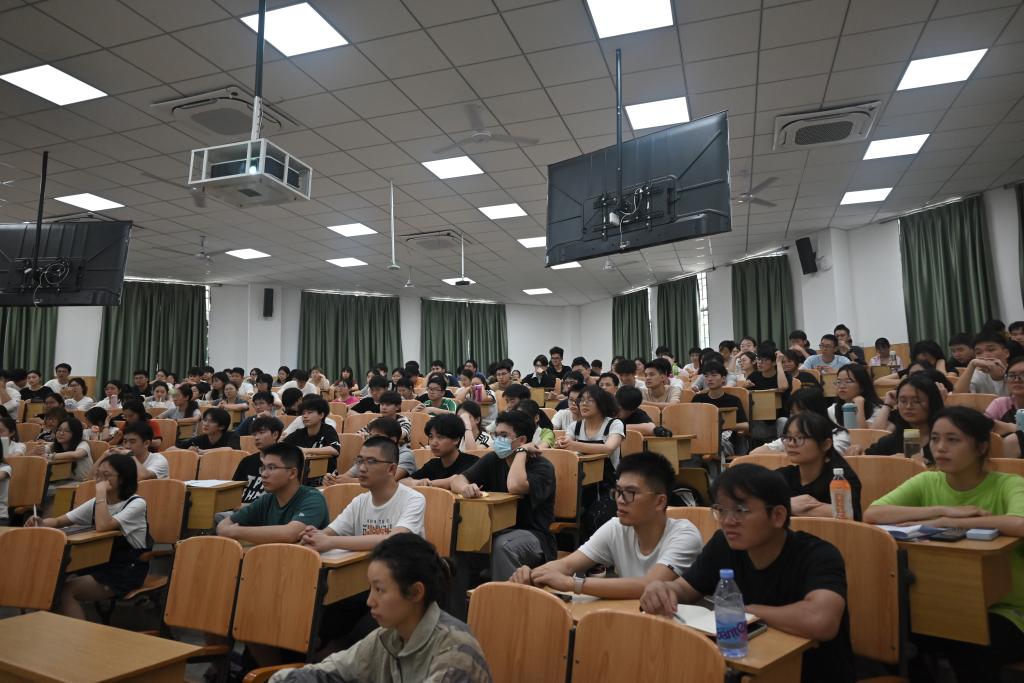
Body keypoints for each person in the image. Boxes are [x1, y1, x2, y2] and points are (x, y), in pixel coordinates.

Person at [640, 464, 855, 683]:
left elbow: (822, 620)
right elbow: (685, 589)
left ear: (778, 515)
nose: (727, 521)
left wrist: (746, 612)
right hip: (748, 666)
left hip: (812, 673)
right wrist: (662, 589)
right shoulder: (723, 545)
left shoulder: (818, 555)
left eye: (740, 510)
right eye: (721, 510)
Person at [865, 407, 1024, 681]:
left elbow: (1019, 523)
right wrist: (942, 511)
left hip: (1008, 609)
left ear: (981, 447)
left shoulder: (1008, 484)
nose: (940, 448)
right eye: (936, 438)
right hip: (942, 601)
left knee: (970, 644)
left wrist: (949, 522)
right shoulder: (928, 480)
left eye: (953, 440)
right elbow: (873, 514)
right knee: (888, 632)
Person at [268, 534, 492, 683]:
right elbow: (328, 672)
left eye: (380, 590)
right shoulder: (387, 637)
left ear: (415, 592)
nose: (370, 601)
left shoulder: (455, 651)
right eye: (371, 589)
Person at [510, 452, 702, 598]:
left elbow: (650, 584)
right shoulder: (617, 527)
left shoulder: (684, 535)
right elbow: (566, 565)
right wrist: (532, 574)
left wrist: (573, 584)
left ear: (660, 502)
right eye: (617, 492)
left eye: (630, 493)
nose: (620, 500)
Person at [26, 452, 151, 619]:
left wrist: (101, 494)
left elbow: (103, 525)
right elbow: (60, 521)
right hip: (98, 563)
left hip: (125, 570)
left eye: (106, 475)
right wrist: (41, 522)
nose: (99, 480)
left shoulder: (136, 503)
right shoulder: (96, 502)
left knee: (65, 592)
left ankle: (75, 634)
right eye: (98, 475)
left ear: (122, 479)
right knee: (49, 585)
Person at [450, 410, 556, 580]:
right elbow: (457, 480)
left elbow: (515, 486)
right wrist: (465, 488)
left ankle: (505, 596)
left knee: (503, 546)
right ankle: (464, 596)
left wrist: (521, 452)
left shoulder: (542, 467)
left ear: (522, 440)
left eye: (504, 435)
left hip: (535, 535)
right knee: (460, 540)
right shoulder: (493, 459)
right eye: (496, 435)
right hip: (495, 530)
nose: (498, 440)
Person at [301, 436, 425, 552]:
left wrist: (331, 542)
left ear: (391, 469)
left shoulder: (413, 499)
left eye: (371, 462)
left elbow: (394, 540)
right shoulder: (359, 502)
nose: (361, 468)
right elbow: (329, 532)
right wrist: (313, 535)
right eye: (360, 461)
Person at [217, 443, 329, 544]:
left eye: (271, 468)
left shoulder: (313, 498)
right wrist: (230, 530)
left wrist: (236, 531)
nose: (264, 474)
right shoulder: (266, 500)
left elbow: (289, 534)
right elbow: (223, 526)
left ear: (292, 473)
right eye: (263, 468)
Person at [778, 412, 862, 520]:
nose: (790, 443)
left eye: (800, 437)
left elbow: (850, 515)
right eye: (788, 437)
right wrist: (788, 505)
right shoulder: (783, 476)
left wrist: (784, 507)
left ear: (825, 445)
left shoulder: (841, 478)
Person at [857, 374, 945, 464]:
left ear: (932, 402)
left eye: (916, 401)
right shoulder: (899, 438)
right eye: (903, 401)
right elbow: (866, 460)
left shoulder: (946, 439)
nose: (908, 406)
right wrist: (857, 451)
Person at [692, 361, 749, 458]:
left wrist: (722, 425)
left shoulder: (733, 400)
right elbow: (691, 423)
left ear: (723, 379)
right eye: (706, 376)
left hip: (725, 441)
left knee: (715, 446)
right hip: (701, 438)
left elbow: (745, 425)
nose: (710, 379)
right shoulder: (698, 399)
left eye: (714, 375)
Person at [406, 413, 479, 489]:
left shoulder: (472, 463)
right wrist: (417, 482)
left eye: (440, 437)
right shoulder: (432, 465)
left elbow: (455, 480)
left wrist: (429, 484)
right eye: (431, 437)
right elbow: (403, 482)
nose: (433, 443)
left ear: (456, 439)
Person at [283, 396, 341, 474]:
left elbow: (334, 450)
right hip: (302, 475)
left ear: (321, 415)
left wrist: (305, 450)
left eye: (309, 413)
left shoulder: (328, 430)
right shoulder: (299, 432)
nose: (305, 416)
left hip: (326, 476)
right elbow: (282, 445)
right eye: (303, 413)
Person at [233, 416, 283, 504]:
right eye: (255, 434)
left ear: (275, 435)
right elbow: (233, 490)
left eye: (261, 433)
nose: (256, 437)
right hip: (239, 507)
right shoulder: (247, 461)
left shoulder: (284, 462)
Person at [987, 356, 1024, 458]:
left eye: (1023, 375)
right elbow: (979, 426)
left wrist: (1015, 428)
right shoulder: (1001, 404)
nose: (1017, 380)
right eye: (1011, 375)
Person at [954, 331, 1010, 396]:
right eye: (978, 352)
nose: (985, 356)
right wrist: (971, 365)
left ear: (1006, 353)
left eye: (990, 350)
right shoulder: (979, 373)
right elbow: (958, 396)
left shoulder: (1015, 371)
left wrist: (999, 378)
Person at [829, 364, 882, 429]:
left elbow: (862, 433)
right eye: (838, 382)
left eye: (848, 381)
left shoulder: (877, 410)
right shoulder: (832, 410)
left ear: (862, 386)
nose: (841, 386)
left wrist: (859, 404)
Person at [45, 417, 93, 482]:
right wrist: (37, 451)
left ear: (75, 433)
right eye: (59, 430)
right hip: (63, 482)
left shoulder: (83, 444)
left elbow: (76, 454)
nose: (61, 433)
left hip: (83, 483)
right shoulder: (55, 445)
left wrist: (50, 456)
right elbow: (43, 450)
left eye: (67, 431)